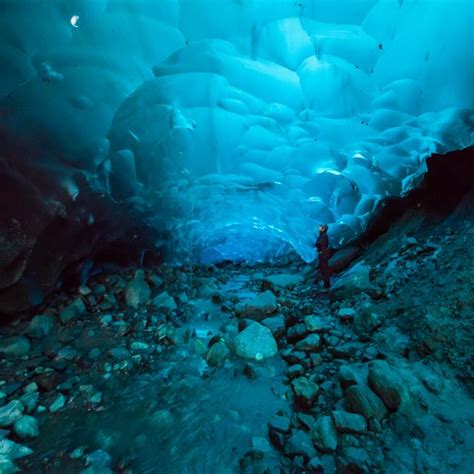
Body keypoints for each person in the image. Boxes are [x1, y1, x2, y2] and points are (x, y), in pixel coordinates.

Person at [315, 224, 331, 291]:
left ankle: (327, 286)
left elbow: (319, 244)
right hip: (322, 254)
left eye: (321, 228)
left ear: (324, 229)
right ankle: (326, 285)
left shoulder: (324, 236)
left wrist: (316, 244)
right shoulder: (322, 235)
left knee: (324, 269)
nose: (319, 228)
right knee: (323, 269)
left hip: (323, 254)